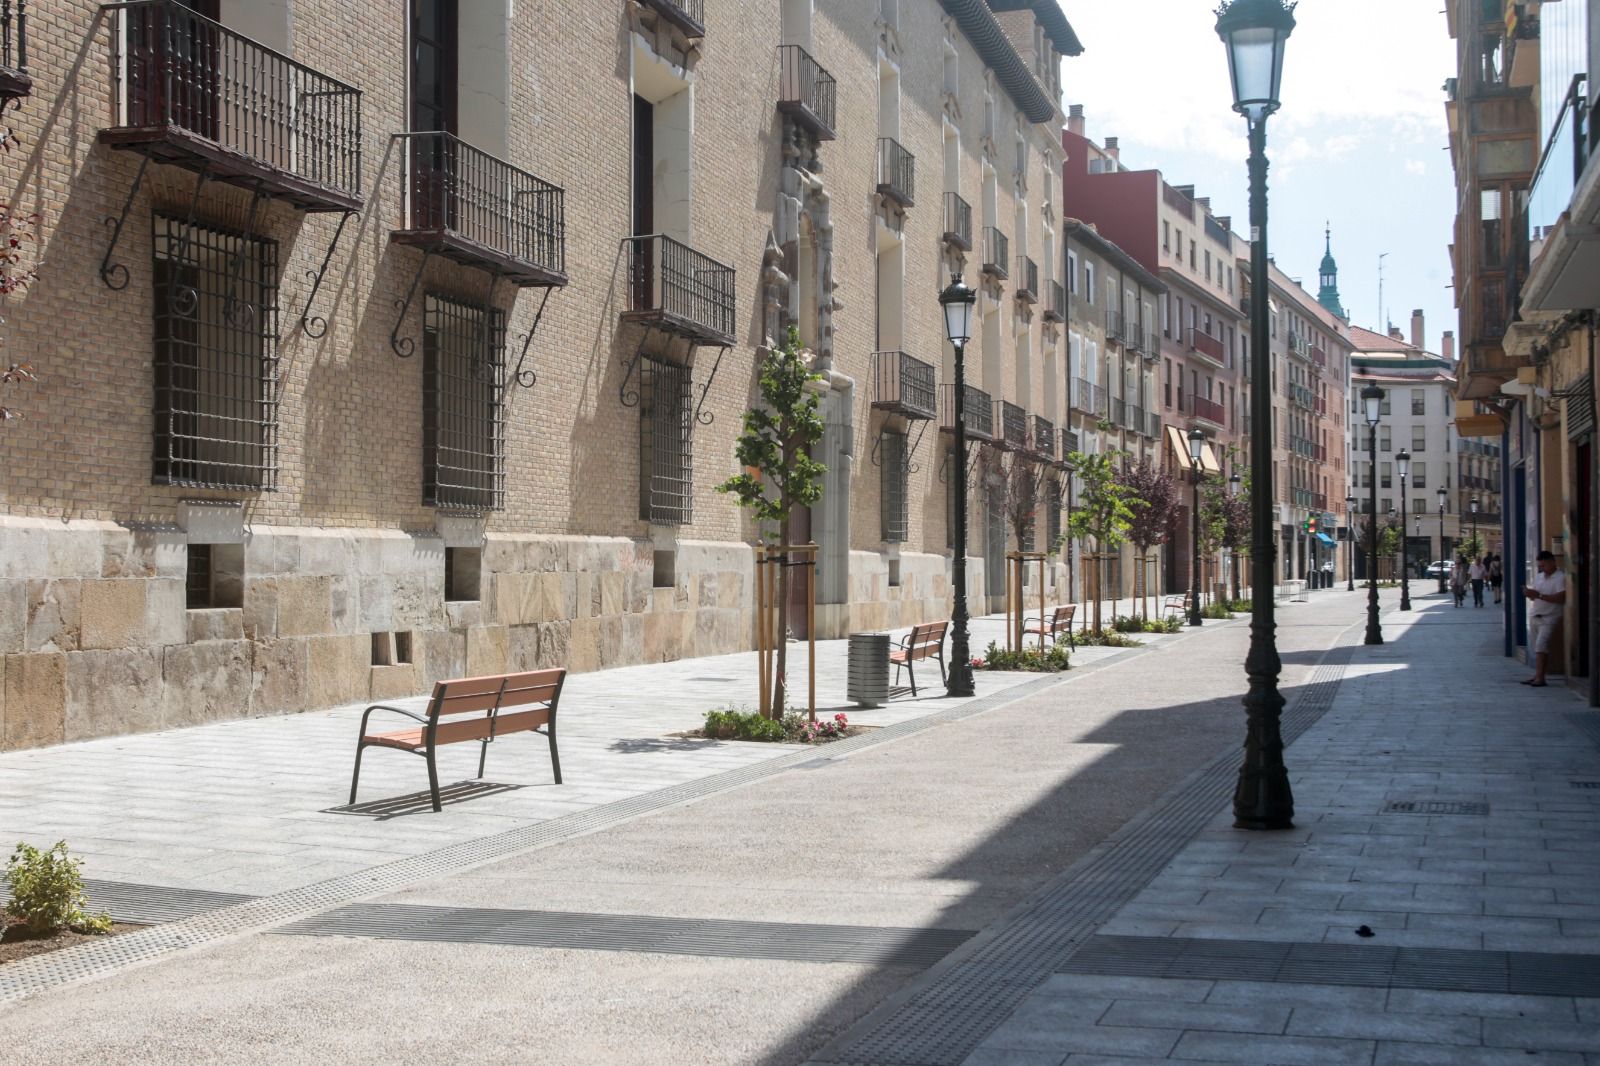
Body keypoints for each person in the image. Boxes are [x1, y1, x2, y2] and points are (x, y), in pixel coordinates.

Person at [1523, 550, 1567, 687]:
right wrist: (1529, 594)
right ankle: (1537, 675)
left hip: (1550, 617)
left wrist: (1539, 595)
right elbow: (1535, 596)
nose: (1542, 569)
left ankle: (1541, 678)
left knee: (1541, 646)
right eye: (1540, 566)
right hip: (1535, 614)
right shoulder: (1539, 577)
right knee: (1537, 647)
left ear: (1553, 562)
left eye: (1544, 566)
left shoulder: (1560, 578)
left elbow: (1561, 598)